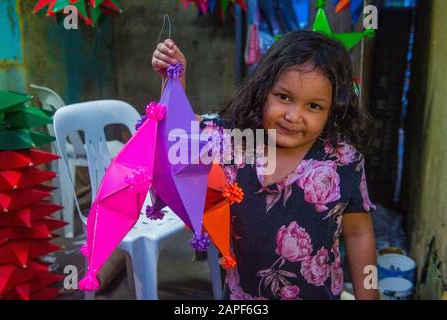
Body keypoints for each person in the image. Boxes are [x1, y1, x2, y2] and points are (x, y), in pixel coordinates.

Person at [151, 30, 379, 300]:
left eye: (314, 106)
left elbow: (358, 234)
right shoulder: (233, 145)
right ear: (264, 91)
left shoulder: (343, 162)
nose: (294, 116)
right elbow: (179, 136)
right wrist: (173, 78)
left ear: (333, 110)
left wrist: (370, 293)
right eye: (283, 97)